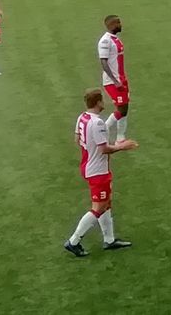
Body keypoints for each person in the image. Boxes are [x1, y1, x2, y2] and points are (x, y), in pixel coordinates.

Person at [64, 88, 138, 257]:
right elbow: (104, 149)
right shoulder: (97, 123)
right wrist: (123, 146)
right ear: (97, 102)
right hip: (97, 170)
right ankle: (74, 241)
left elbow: (78, 139)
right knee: (98, 207)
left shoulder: (82, 118)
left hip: (88, 165)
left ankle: (109, 239)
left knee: (106, 203)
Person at [98, 15, 132, 142]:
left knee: (124, 108)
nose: (121, 24)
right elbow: (104, 62)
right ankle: (103, 129)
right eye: (118, 23)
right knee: (122, 109)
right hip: (112, 81)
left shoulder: (115, 39)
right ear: (111, 25)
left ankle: (120, 137)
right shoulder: (105, 41)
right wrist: (115, 81)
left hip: (121, 79)